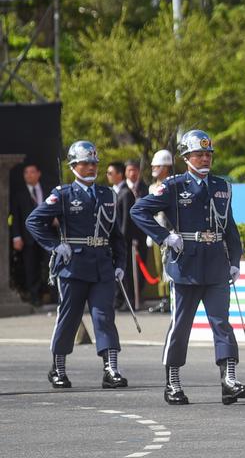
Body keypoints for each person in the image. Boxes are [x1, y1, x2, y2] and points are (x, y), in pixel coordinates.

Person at [129, 130, 245, 407]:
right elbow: (138, 211)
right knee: (181, 325)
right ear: (186, 158)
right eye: (199, 154)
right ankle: (173, 381)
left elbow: (229, 227)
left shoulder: (222, 186)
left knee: (221, 323)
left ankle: (229, 380)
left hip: (216, 264)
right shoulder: (172, 186)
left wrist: (235, 261)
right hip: (185, 264)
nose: (205, 158)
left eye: (208, 154)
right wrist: (165, 236)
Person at [26, 141, 127, 389]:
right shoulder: (63, 194)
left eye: (94, 163)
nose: (91, 167)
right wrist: (55, 245)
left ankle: (111, 368)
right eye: (86, 163)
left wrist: (120, 263)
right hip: (73, 265)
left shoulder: (107, 195)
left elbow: (116, 234)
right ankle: (58, 368)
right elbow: (33, 221)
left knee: (104, 316)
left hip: (102, 264)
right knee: (69, 317)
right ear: (73, 166)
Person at [10, 163, 50, 307]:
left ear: (38, 173)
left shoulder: (47, 190)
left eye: (32, 172)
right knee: (31, 267)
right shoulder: (19, 194)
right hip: (28, 237)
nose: (29, 175)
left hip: (47, 235)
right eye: (26, 173)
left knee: (49, 264)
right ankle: (35, 296)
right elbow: (15, 217)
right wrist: (16, 236)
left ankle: (51, 294)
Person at [115, 160, 147, 311]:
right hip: (125, 236)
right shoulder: (123, 190)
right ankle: (127, 298)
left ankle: (137, 297)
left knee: (141, 268)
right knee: (126, 269)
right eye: (129, 170)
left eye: (135, 170)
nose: (133, 173)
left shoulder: (144, 188)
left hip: (141, 235)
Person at [145, 150, 174, 313]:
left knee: (169, 266)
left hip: (169, 233)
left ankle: (171, 297)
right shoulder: (152, 187)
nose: (154, 168)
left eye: (158, 166)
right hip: (156, 232)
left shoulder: (172, 184)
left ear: (166, 167)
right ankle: (163, 298)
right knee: (158, 267)